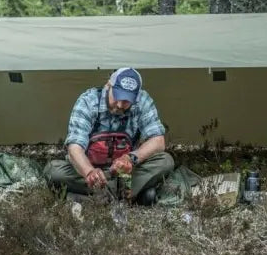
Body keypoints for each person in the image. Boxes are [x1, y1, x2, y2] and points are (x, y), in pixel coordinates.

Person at [44, 66, 174, 205]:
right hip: (89, 171)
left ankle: (94, 199)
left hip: (125, 174)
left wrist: (130, 159)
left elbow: (158, 141)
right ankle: (127, 195)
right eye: (117, 96)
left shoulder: (142, 101)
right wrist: (89, 173)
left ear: (136, 96)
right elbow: (75, 147)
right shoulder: (88, 101)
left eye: (126, 101)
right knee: (53, 170)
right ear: (109, 85)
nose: (119, 104)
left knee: (166, 161)